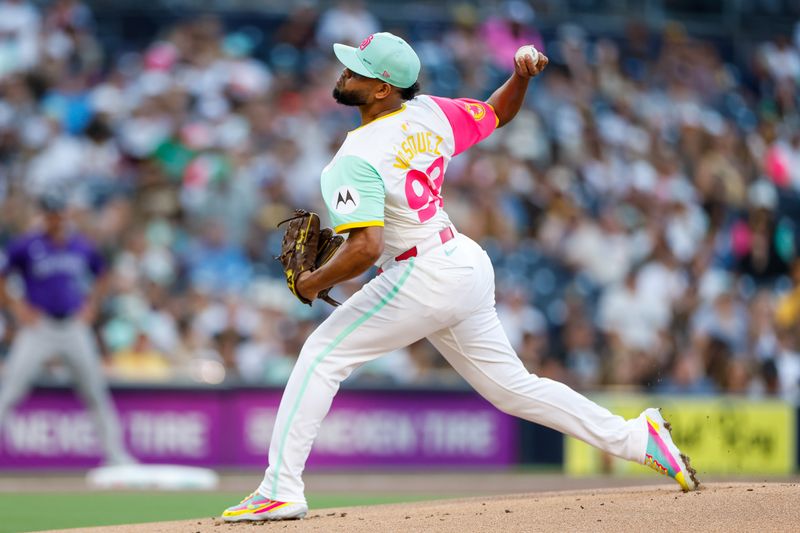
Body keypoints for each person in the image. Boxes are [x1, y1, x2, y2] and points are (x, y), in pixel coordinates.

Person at [222, 32, 697, 522]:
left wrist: (312, 282)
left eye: (356, 68)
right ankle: (639, 438)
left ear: (383, 88)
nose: (343, 72)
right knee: (513, 388)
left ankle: (280, 488)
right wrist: (519, 77)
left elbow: (365, 247)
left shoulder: (353, 158)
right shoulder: (430, 113)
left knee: (321, 356)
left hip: (421, 272)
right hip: (461, 261)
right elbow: (497, 113)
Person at [0, 194, 135, 466]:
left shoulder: (79, 245)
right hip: (39, 327)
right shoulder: (27, 245)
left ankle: (116, 457)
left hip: (73, 326)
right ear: (44, 216)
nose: (56, 219)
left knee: (95, 392)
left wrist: (92, 306)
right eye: (51, 214)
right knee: (10, 391)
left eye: (59, 213)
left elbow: (102, 272)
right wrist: (18, 308)